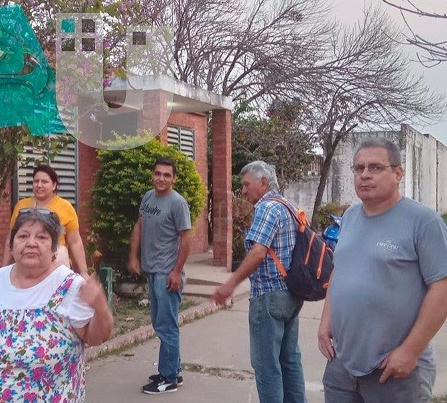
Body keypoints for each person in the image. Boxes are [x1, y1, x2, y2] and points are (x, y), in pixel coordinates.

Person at [317, 137, 447, 402]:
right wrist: (325, 321)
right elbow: (340, 271)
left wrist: (410, 352)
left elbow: (442, 289)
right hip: (342, 364)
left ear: (397, 173)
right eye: (359, 168)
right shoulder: (350, 217)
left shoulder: (423, 221)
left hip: (394, 369)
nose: (365, 175)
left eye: (375, 167)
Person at [0, 208, 113, 402]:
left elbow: (96, 338)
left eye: (42, 238)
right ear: (11, 245)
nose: (31, 243)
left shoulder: (68, 285)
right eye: (23, 236)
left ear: (54, 250)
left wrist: (100, 307)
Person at [211, 160, 305, 403]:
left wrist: (230, 284)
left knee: (266, 365)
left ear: (263, 183)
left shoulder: (267, 208)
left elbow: (257, 252)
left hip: (270, 295)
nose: (243, 191)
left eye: (246, 184)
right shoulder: (288, 206)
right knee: (289, 359)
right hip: (291, 293)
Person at [128, 157, 192, 395]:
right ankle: (173, 370)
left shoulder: (178, 203)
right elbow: (140, 225)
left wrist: (176, 271)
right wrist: (133, 256)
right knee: (161, 323)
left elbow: (186, 240)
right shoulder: (148, 197)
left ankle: (168, 378)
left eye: (167, 175)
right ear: (152, 175)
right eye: (158, 173)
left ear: (174, 178)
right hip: (152, 270)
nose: (161, 178)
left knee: (166, 326)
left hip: (167, 273)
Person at [1, 164, 89, 277]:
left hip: (57, 266)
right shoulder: (21, 206)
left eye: (44, 182)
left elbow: (75, 241)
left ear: (54, 185)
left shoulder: (65, 207)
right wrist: (3, 269)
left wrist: (84, 272)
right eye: (36, 181)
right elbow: (11, 239)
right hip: (27, 266)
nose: (39, 185)